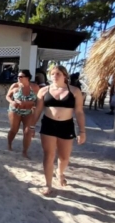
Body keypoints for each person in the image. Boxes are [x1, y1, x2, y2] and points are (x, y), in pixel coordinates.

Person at [30, 64, 86, 196]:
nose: (54, 76)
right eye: (52, 74)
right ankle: (48, 185)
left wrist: (82, 131)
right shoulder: (44, 91)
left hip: (66, 125)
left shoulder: (75, 91)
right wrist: (32, 126)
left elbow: (79, 112)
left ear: (65, 76)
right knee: (48, 155)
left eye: (58, 74)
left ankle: (60, 173)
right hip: (48, 125)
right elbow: (38, 110)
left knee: (64, 157)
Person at [6, 69, 40, 158]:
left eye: (21, 76)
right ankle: (9, 144)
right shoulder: (15, 85)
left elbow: (39, 100)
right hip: (15, 110)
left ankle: (25, 151)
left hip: (28, 111)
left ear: (27, 77)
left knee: (27, 131)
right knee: (14, 130)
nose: (18, 78)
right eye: (18, 76)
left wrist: (33, 105)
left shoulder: (35, 87)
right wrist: (12, 102)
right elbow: (8, 96)